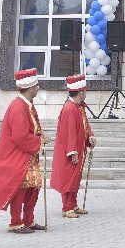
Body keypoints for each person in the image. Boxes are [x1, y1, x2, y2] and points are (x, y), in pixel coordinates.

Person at [0, 68, 50, 234]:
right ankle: (16, 222)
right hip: (18, 156)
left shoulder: (27, 105)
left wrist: (40, 134)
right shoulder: (18, 107)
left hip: (28, 156)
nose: (38, 88)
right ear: (30, 88)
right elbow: (21, 136)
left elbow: (31, 129)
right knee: (20, 188)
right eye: (36, 86)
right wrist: (39, 141)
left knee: (33, 187)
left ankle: (28, 219)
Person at [50, 74, 96, 219]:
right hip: (70, 151)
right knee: (68, 178)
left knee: (75, 178)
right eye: (85, 90)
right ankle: (67, 207)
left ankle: (73, 204)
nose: (86, 93)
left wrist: (90, 137)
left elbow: (85, 126)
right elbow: (69, 133)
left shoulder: (78, 107)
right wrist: (73, 152)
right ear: (80, 92)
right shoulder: (70, 109)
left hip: (79, 148)